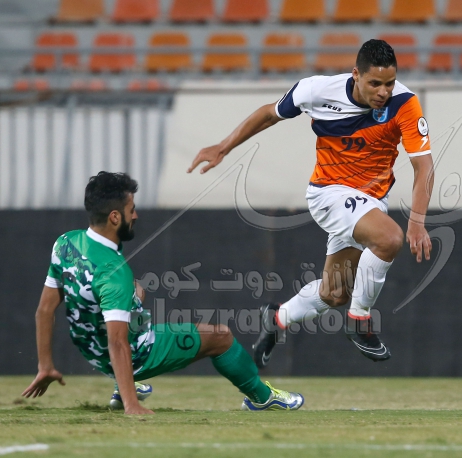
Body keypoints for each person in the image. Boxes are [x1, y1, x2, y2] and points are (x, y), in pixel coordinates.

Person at [187, 39, 433, 367]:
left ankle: (277, 318)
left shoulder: (405, 103)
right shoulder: (316, 91)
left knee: (335, 294)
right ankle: (359, 321)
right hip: (329, 193)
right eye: (375, 83)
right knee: (389, 239)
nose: (383, 92)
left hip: (370, 203)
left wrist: (418, 219)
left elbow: (424, 166)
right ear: (356, 74)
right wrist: (223, 146)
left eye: (389, 83)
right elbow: (269, 114)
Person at [22, 171, 304, 414]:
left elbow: (44, 310)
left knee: (137, 293)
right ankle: (261, 398)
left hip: (91, 350)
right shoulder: (113, 272)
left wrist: (45, 366)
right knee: (220, 336)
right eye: (131, 209)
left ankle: (124, 384)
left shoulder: (66, 243)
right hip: (134, 353)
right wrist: (132, 405)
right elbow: (118, 343)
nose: (136, 215)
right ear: (114, 217)